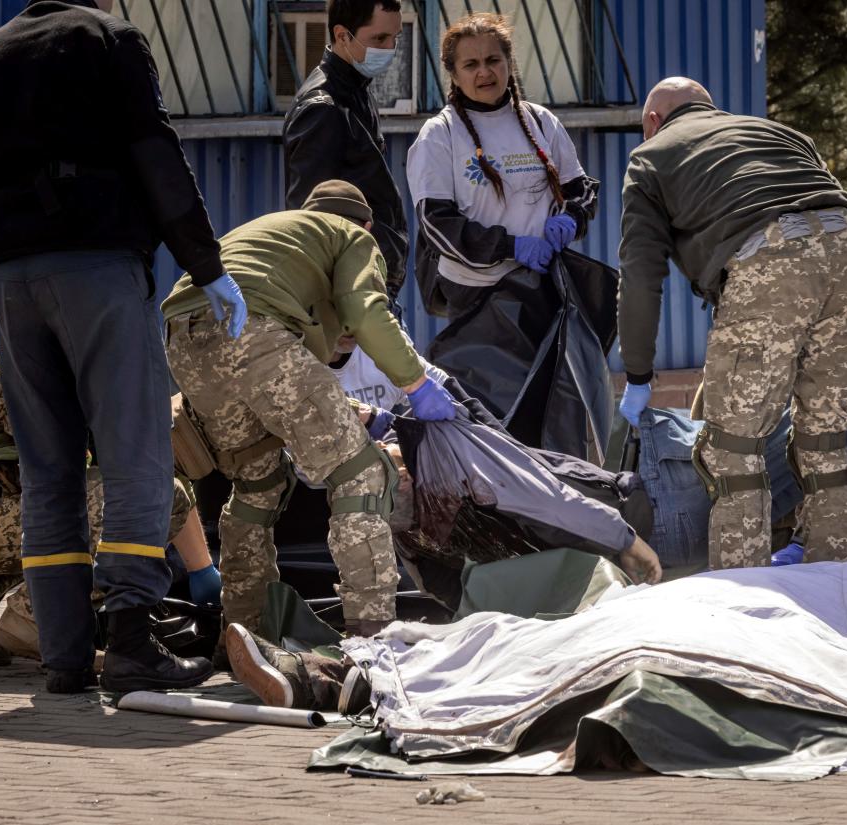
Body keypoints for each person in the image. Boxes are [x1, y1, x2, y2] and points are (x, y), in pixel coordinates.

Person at [0, 0, 246, 693]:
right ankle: (134, 640)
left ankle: (63, 655)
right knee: (135, 454)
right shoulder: (108, 38)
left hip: (13, 280)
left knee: (47, 468)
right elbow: (154, 151)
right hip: (97, 266)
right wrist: (205, 264)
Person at [162, 180, 456, 639]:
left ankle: (245, 631)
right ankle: (373, 636)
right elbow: (364, 310)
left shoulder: (274, 230)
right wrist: (416, 384)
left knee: (257, 484)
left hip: (184, 338)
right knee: (362, 472)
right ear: (366, 225)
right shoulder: (352, 236)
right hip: (251, 331)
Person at [617, 77, 847, 571]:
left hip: (768, 257)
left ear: (653, 122)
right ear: (710, 109)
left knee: (733, 450)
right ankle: (837, 579)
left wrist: (638, 372)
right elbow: (833, 206)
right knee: (824, 440)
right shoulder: (777, 132)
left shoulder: (650, 157)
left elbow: (641, 273)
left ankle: (747, 603)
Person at [0, 301, 220, 664]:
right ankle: (40, 620)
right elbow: (138, 472)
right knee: (153, 496)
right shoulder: (78, 328)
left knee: (34, 511)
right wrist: (202, 570)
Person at [406, 13, 602, 453]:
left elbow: (581, 190)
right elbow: (438, 224)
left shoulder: (541, 122)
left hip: (542, 290)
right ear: (453, 74)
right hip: (479, 297)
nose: (484, 72)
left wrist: (570, 217)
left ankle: (564, 492)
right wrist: (511, 246)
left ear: (509, 63)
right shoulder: (440, 136)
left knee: (552, 407)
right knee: (496, 414)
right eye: (470, 64)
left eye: (493, 60)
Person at [283, 0, 408, 300]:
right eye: (379, 39)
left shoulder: (356, 91)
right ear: (342, 36)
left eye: (396, 38)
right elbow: (311, 219)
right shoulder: (323, 108)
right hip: (348, 292)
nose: (390, 48)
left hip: (366, 280)